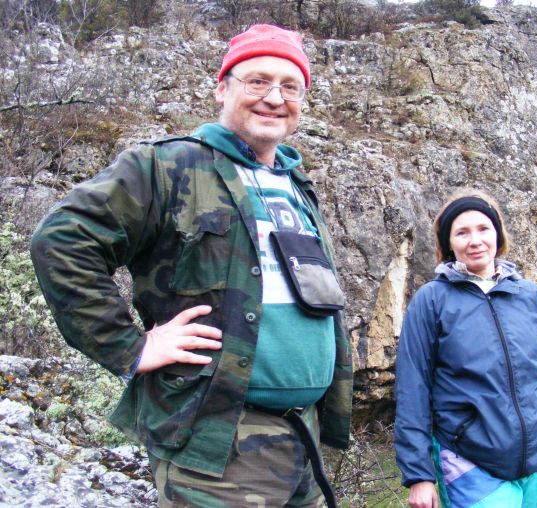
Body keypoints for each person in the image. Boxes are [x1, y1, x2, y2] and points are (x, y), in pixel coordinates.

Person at [30, 24, 352, 507]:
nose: (274, 98)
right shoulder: (166, 166)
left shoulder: (296, 185)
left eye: (290, 87)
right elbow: (61, 241)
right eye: (258, 81)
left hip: (302, 440)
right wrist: (129, 347)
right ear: (222, 88)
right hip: (216, 448)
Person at [394, 189, 537, 508]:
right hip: (469, 460)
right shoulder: (431, 301)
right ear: (448, 243)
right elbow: (412, 390)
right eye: (462, 232)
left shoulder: (529, 296)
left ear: (498, 234)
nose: (475, 241)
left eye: (483, 228)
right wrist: (419, 476)